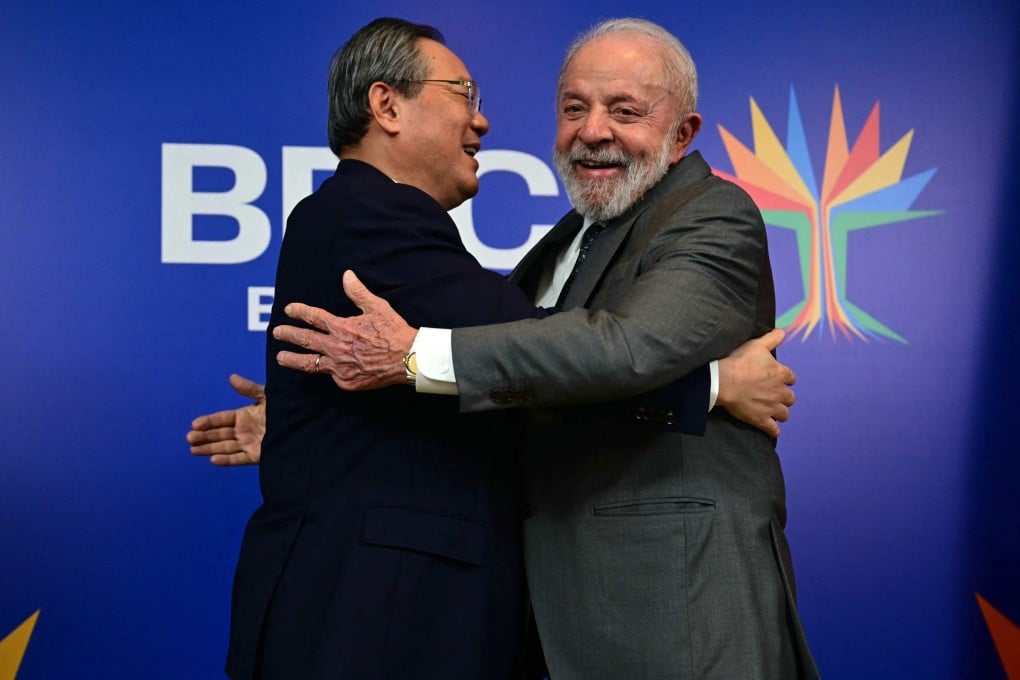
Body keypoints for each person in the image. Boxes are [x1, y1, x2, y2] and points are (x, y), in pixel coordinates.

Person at [213, 16, 780, 680]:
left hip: (643, 612)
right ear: (387, 105)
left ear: (683, 133)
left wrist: (310, 419)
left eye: (623, 110)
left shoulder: (708, 214)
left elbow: (543, 365)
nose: (482, 122)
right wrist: (711, 387)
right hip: (375, 615)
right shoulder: (375, 215)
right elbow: (542, 356)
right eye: (464, 94)